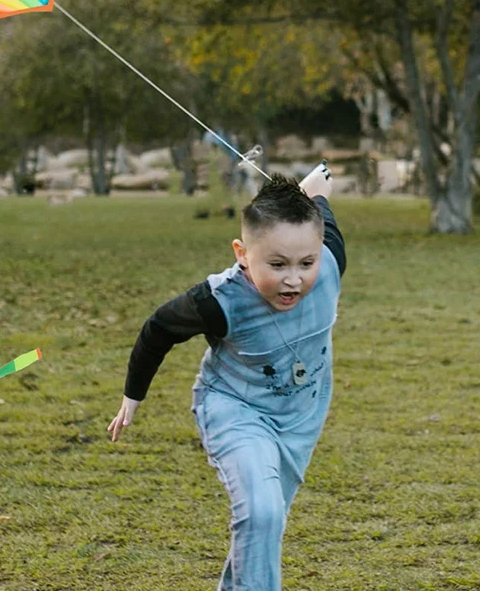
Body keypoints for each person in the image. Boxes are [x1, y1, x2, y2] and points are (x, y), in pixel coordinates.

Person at [108, 163, 345, 591]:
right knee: (262, 511)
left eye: (305, 262)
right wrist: (133, 396)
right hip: (234, 407)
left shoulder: (331, 259)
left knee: (264, 525)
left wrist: (314, 189)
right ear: (242, 253)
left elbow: (320, 211)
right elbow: (158, 329)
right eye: (277, 264)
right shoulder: (219, 301)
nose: (294, 279)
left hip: (300, 418)